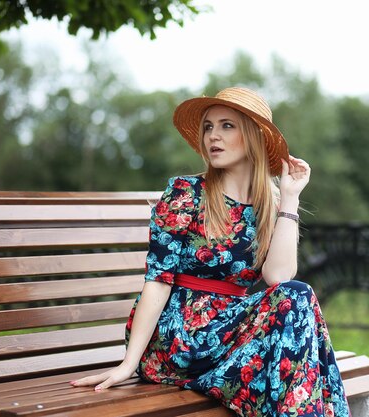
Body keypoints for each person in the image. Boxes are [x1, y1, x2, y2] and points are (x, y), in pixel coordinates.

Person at [71, 87, 351, 416]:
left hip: (230, 335)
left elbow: (277, 277)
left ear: (254, 137)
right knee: (295, 327)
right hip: (179, 336)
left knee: (297, 297)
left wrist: (290, 200)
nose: (213, 136)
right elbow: (158, 280)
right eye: (208, 126)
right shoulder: (186, 193)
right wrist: (129, 363)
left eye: (226, 126)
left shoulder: (270, 205)